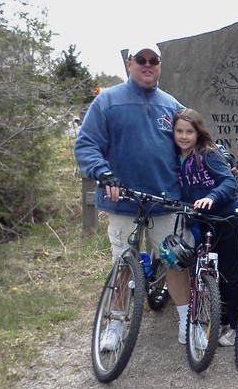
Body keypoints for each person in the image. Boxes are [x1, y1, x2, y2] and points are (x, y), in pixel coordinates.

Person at [74, 45, 193, 350]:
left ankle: (186, 322)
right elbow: (86, 144)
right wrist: (103, 173)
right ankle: (115, 324)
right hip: (123, 201)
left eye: (154, 60)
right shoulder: (107, 101)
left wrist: (219, 159)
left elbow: (193, 140)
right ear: (130, 63)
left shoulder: (171, 105)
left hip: (165, 202)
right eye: (141, 60)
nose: (148, 65)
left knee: (175, 263)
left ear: (160, 65)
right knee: (123, 264)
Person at [172, 108, 238, 347]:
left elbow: (228, 181)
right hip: (200, 219)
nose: (184, 136)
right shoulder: (174, 157)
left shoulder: (208, 153)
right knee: (206, 267)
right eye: (179, 131)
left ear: (198, 133)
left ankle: (237, 325)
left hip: (225, 216)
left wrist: (212, 197)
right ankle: (218, 315)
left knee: (229, 270)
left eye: (189, 132)